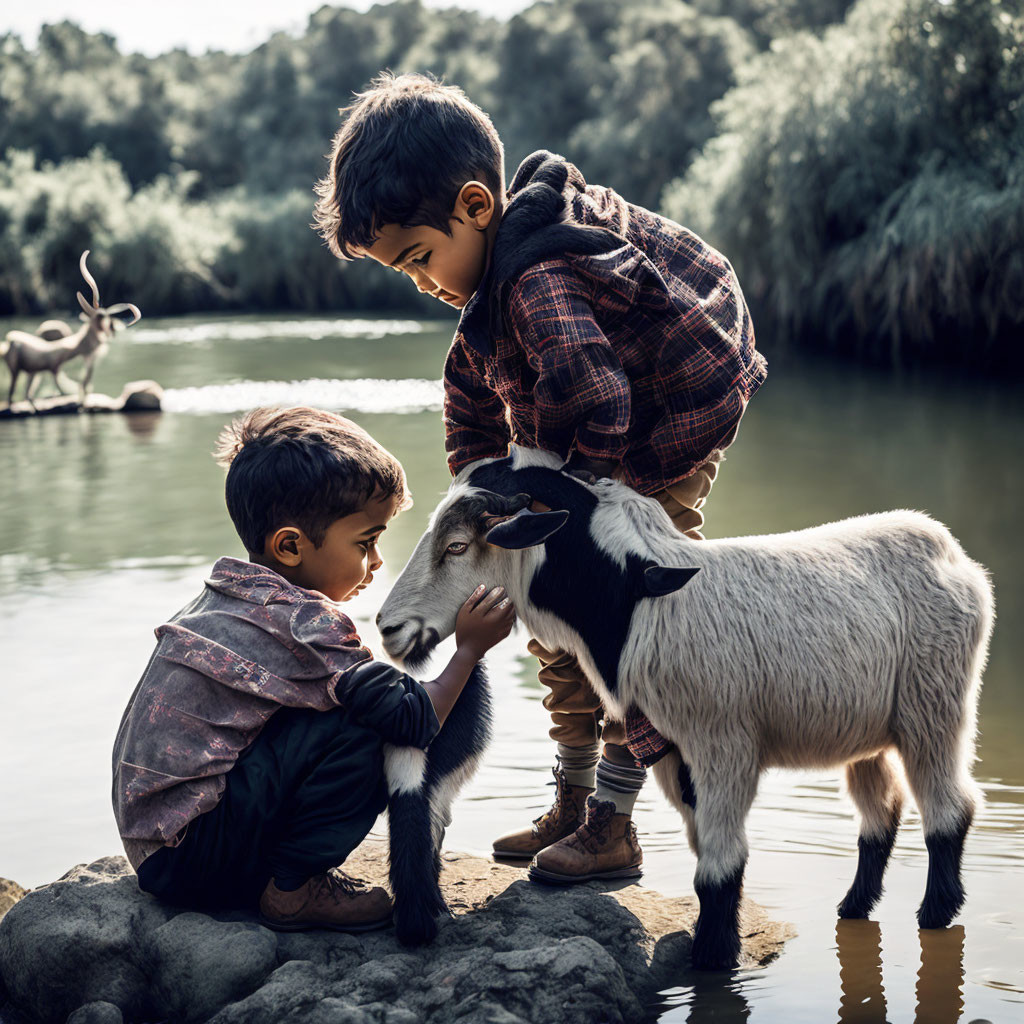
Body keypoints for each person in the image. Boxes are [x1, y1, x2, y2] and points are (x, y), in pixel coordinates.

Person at [312, 73, 767, 884]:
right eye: (404, 274)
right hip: (602, 413)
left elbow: (601, 395)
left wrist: (567, 510)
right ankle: (573, 796)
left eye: (422, 258)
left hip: (676, 409)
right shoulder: (492, 294)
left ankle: (614, 824)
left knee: (632, 615)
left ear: (477, 207)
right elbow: (466, 395)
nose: (423, 282)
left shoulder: (537, 277)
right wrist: (480, 498)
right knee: (543, 603)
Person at [111, 406, 515, 931]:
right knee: (371, 721)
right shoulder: (305, 625)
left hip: (157, 849)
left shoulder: (226, 594)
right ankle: (293, 889)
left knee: (353, 700)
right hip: (195, 856)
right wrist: (468, 650)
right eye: (366, 543)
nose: (377, 563)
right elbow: (412, 720)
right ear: (291, 546)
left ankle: (280, 875)